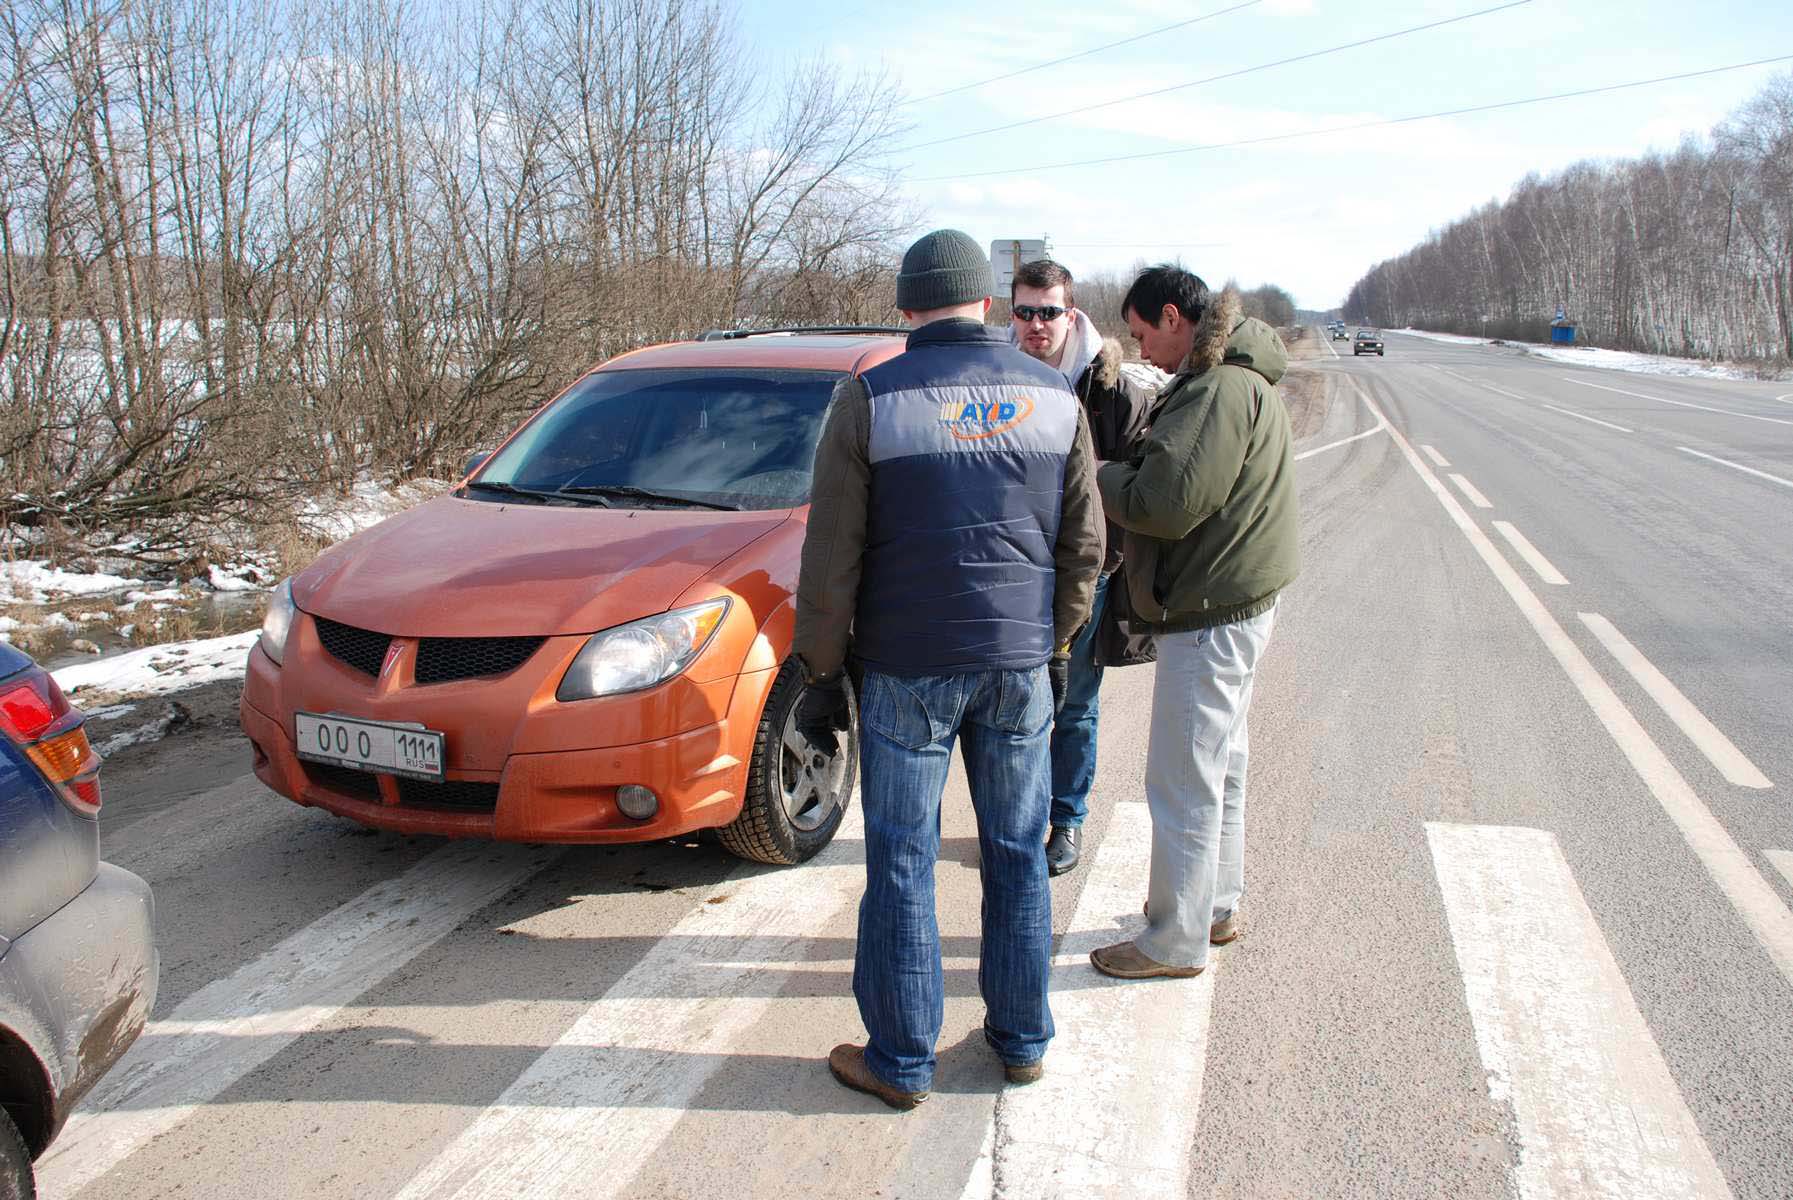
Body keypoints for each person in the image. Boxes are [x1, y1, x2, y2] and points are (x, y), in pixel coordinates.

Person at [794, 229, 1104, 1108]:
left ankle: (899, 1060)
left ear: (904, 308)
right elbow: (1085, 546)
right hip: (1015, 664)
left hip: (906, 665)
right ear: (988, 305)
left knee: (901, 857)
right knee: (1014, 851)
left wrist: (821, 666)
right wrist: (1049, 642)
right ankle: (1021, 1039)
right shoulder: (1053, 396)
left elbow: (831, 553)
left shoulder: (871, 396)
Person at [1089, 265, 1298, 980]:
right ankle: (1212, 907)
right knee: (1220, 767)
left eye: (1144, 333)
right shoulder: (1238, 377)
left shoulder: (1214, 391)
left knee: (1182, 778)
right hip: (1238, 601)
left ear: (1174, 316)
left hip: (1209, 610)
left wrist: (1098, 473)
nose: (1141, 350)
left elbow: (1164, 502)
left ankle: (1170, 941)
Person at [1008, 258, 1156, 877]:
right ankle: (1018, 815)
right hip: (1015, 568)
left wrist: (1108, 559)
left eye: (1049, 312)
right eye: (1025, 312)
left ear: (1071, 314)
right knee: (1017, 700)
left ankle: (1065, 820)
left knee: (1074, 702)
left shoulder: (1110, 388)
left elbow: (1137, 487)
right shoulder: (997, 377)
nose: (1037, 325)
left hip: (1085, 573)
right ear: (1009, 313)